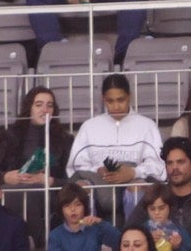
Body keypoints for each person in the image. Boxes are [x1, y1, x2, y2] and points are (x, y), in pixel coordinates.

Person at [65, 74, 166, 207]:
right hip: (97, 183)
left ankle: (134, 227)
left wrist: (133, 172)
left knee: (137, 186)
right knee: (82, 187)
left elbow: (158, 165)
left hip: (134, 181)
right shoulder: (89, 126)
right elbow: (76, 165)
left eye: (121, 100)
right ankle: (89, 227)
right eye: (110, 101)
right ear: (103, 99)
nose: (116, 107)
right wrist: (98, 170)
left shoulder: (147, 125)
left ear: (129, 96)